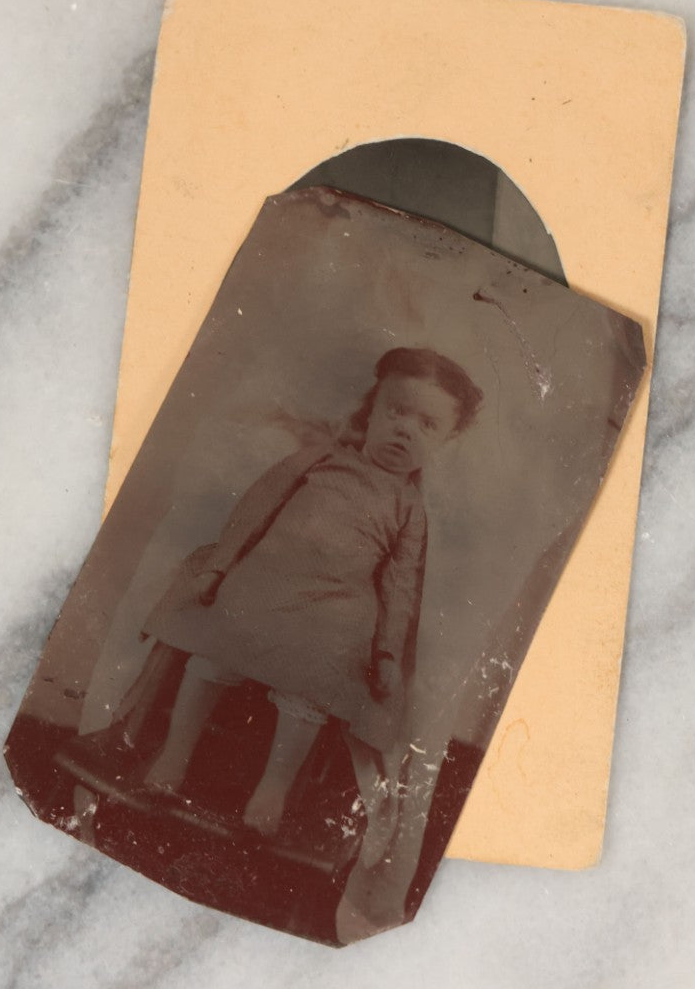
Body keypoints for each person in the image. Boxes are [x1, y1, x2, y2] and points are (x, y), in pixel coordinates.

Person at [135, 347, 482, 868]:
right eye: (396, 411)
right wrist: (220, 566)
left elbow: (400, 589)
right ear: (372, 411)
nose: (405, 430)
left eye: (426, 425)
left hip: (335, 607)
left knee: (325, 668)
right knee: (215, 649)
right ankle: (173, 755)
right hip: (263, 585)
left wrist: (386, 654)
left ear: (443, 442)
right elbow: (256, 508)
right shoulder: (321, 459)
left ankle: (273, 789)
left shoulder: (408, 509)